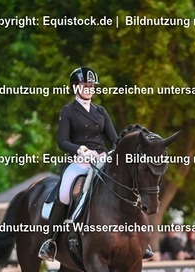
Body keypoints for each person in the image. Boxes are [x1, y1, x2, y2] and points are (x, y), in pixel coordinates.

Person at [38, 66, 154, 262]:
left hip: (101, 158)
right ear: (75, 87)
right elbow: (62, 142)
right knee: (65, 192)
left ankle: (140, 240)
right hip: (78, 161)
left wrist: (112, 153)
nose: (89, 89)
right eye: (85, 85)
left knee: (127, 186)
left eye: (91, 86)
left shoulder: (100, 111)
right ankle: (50, 242)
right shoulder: (68, 111)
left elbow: (114, 139)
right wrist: (80, 150)